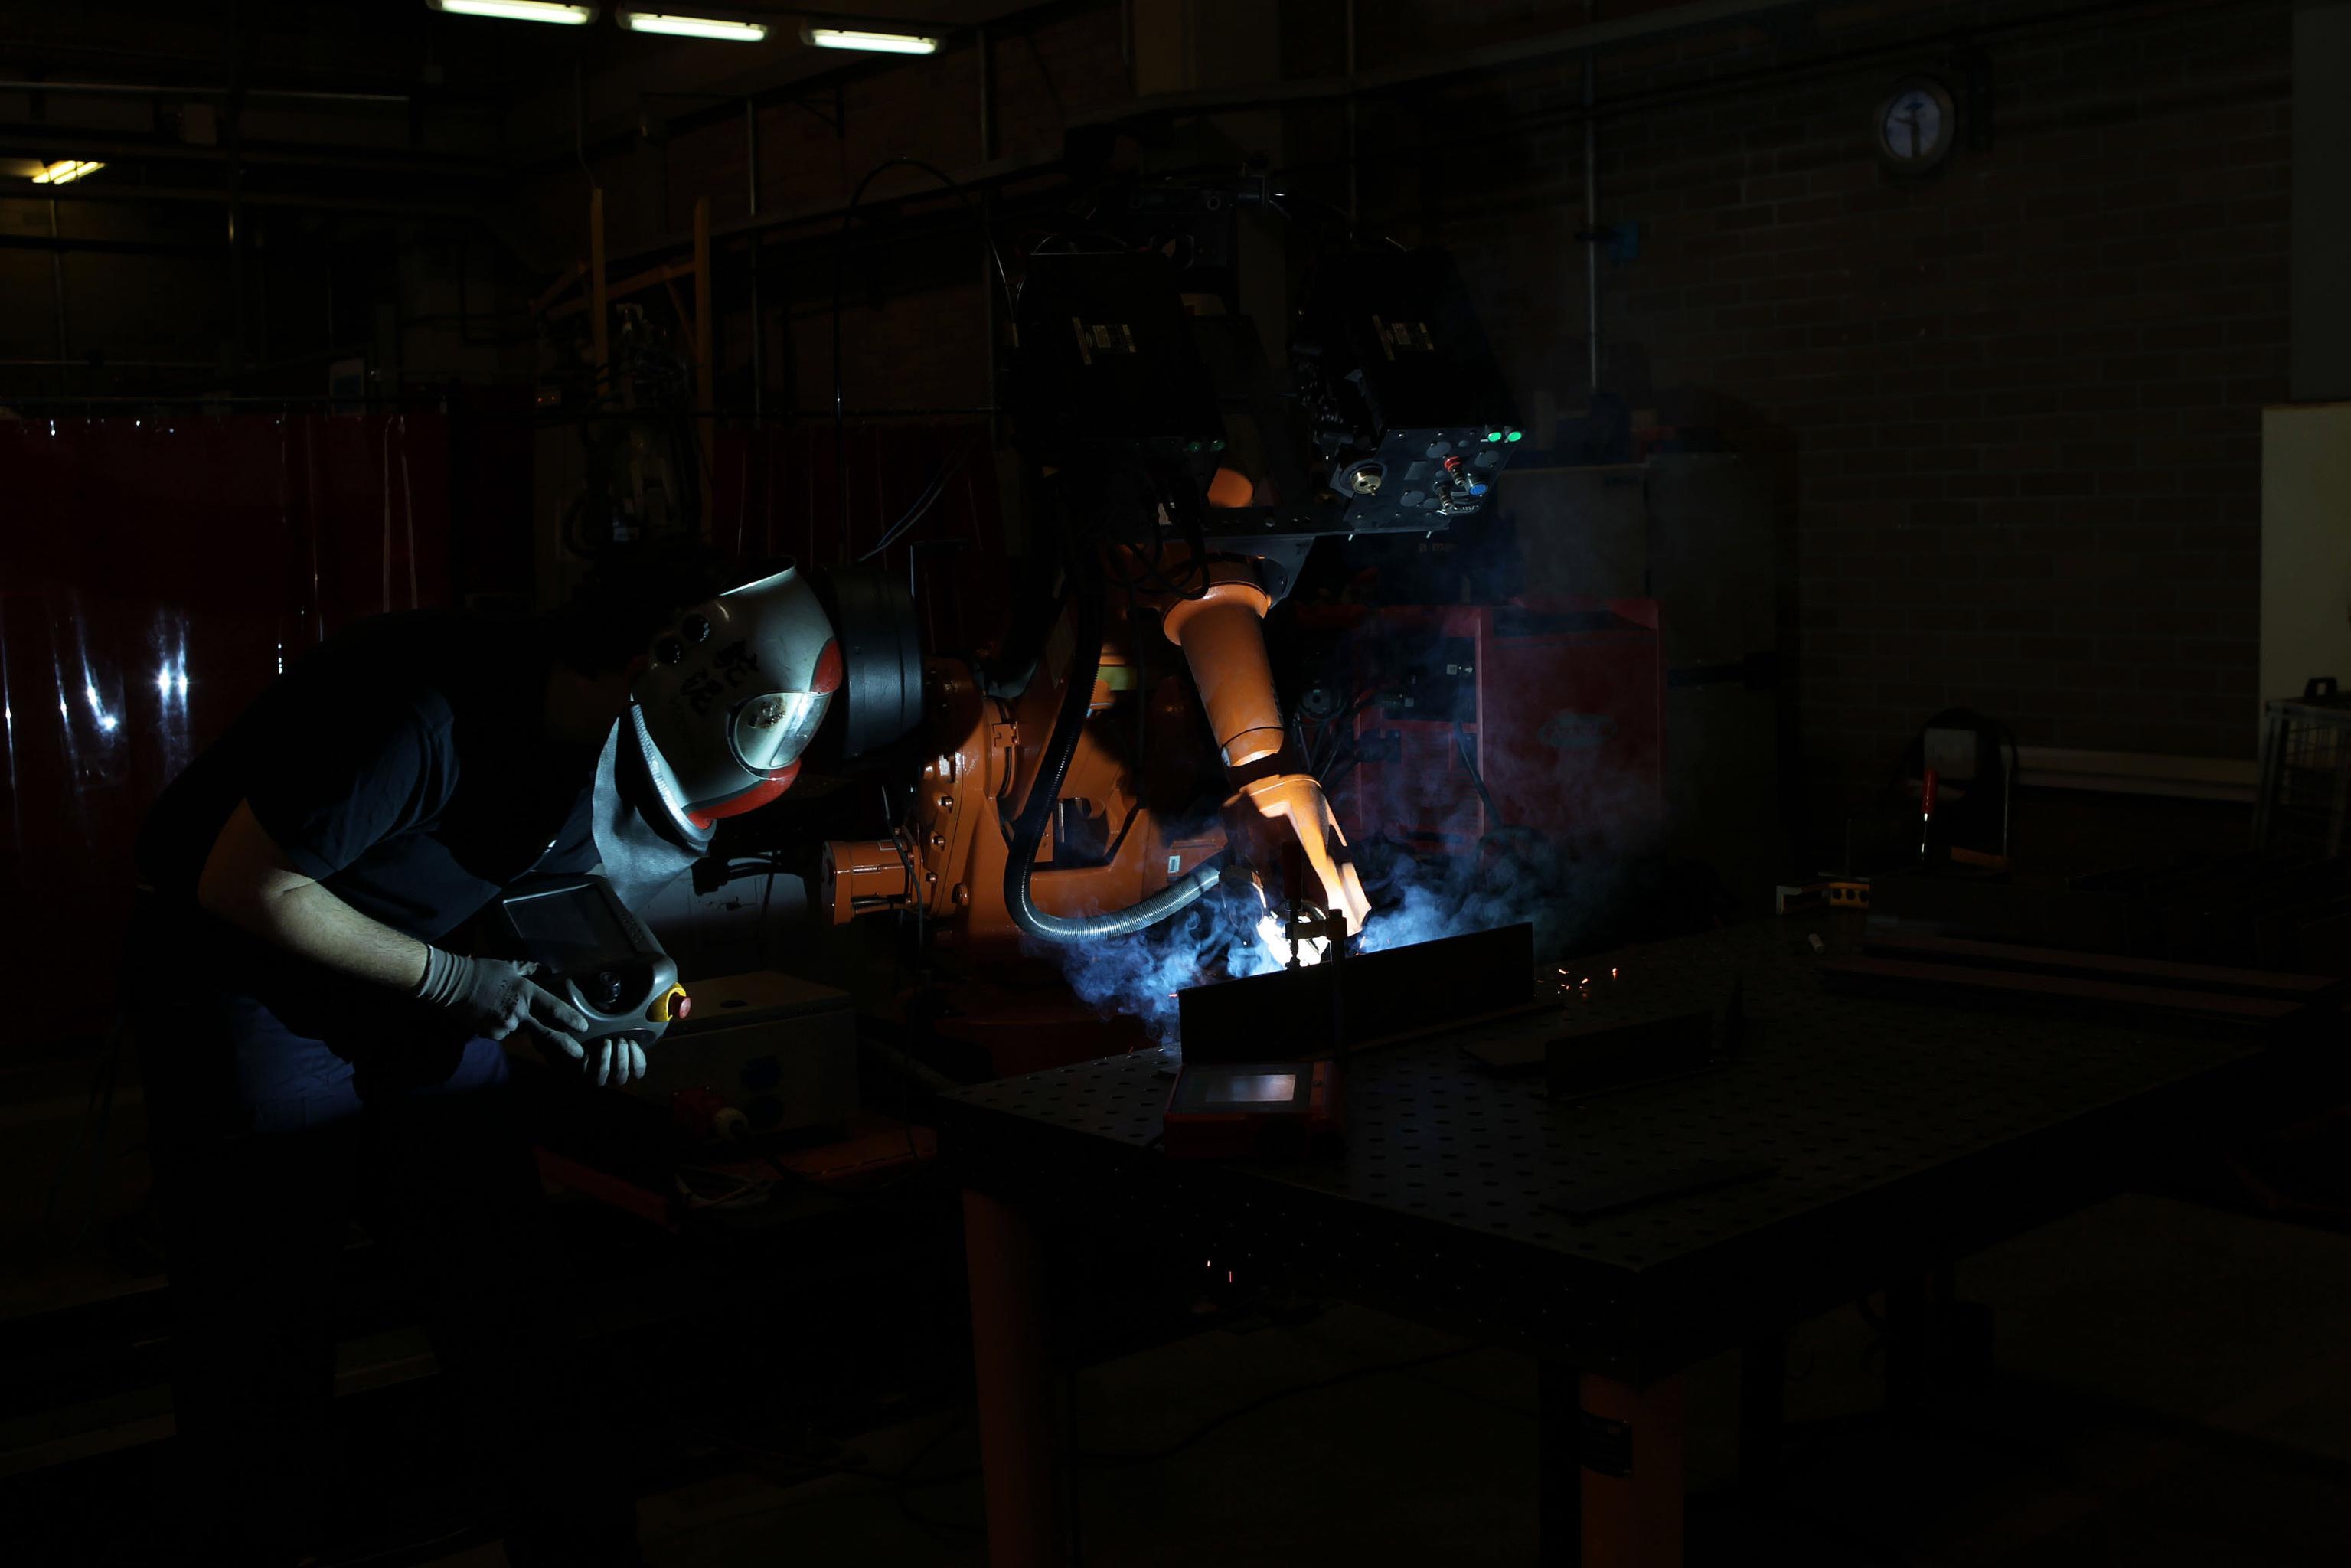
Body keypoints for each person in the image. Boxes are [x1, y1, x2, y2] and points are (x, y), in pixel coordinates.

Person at [128, 547, 842, 1565]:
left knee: (510, 1303)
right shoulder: (419, 708)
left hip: (417, 971)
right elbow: (247, 884)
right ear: (639, 668)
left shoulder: (603, 732)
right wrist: (458, 984)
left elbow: (555, 887)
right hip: (247, 970)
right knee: (265, 1335)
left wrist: (597, 999)